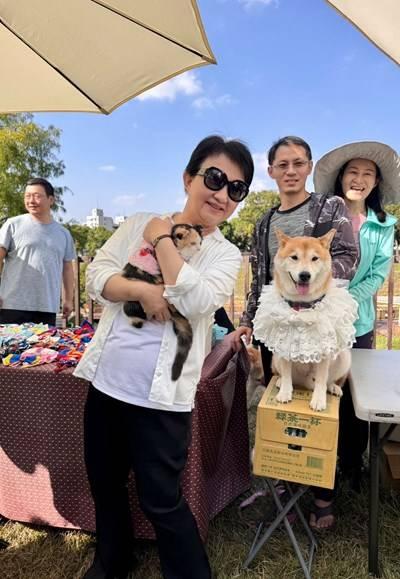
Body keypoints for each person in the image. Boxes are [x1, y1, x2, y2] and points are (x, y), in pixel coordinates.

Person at [74, 135, 254, 579]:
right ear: (188, 177)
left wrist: (161, 241)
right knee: (106, 484)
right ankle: (112, 561)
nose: (222, 193)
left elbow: (195, 301)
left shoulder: (223, 253)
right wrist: (142, 290)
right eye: (214, 178)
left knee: (161, 499)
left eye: (236, 188)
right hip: (107, 384)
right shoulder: (137, 221)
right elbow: (97, 277)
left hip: (161, 399)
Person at [311, 141, 398, 528]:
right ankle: (314, 471)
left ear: (375, 182)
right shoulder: (324, 215)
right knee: (318, 391)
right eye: (353, 172)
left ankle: (350, 464)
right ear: (341, 176)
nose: (359, 179)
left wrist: (345, 300)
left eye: (367, 174)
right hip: (317, 319)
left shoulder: (384, 225)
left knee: (353, 400)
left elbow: (379, 273)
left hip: (357, 322)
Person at [232, 135, 358, 368]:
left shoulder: (330, 207)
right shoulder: (264, 223)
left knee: (318, 393)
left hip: (317, 323)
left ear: (309, 166)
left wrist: (313, 285)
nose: (290, 171)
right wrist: (248, 319)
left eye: (298, 163)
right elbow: (259, 277)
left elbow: (349, 257)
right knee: (278, 388)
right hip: (276, 324)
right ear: (271, 171)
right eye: (282, 165)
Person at [0, 177, 76, 326]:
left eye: (37, 196)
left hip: (47, 306)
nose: (31, 201)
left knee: (44, 349)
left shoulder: (63, 233)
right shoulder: (12, 225)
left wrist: (68, 299)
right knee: (10, 348)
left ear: (51, 200)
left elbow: (67, 269)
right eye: (27, 196)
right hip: (12, 305)